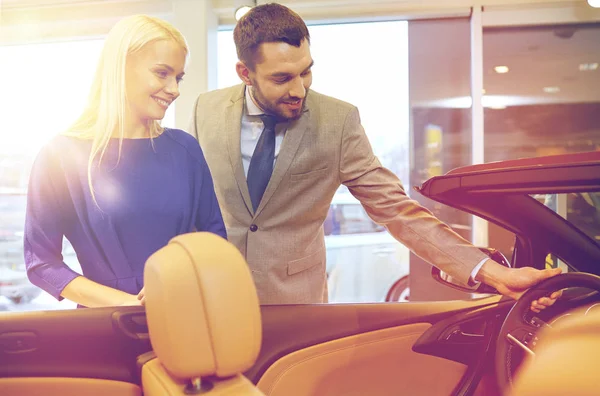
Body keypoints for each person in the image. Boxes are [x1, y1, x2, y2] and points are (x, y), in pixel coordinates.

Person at [189, 3, 559, 309]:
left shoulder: (338, 121)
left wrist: (494, 273)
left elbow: (396, 209)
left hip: (296, 305)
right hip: (215, 299)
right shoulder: (206, 110)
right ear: (245, 73)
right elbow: (188, 203)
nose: (300, 89)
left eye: (307, 72)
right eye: (282, 78)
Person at [24, 15, 226, 308]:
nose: (175, 89)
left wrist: (183, 280)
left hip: (184, 315)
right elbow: (41, 264)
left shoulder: (185, 149)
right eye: (162, 73)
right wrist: (130, 305)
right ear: (120, 69)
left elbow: (215, 242)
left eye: (178, 77)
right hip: (103, 324)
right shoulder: (59, 156)